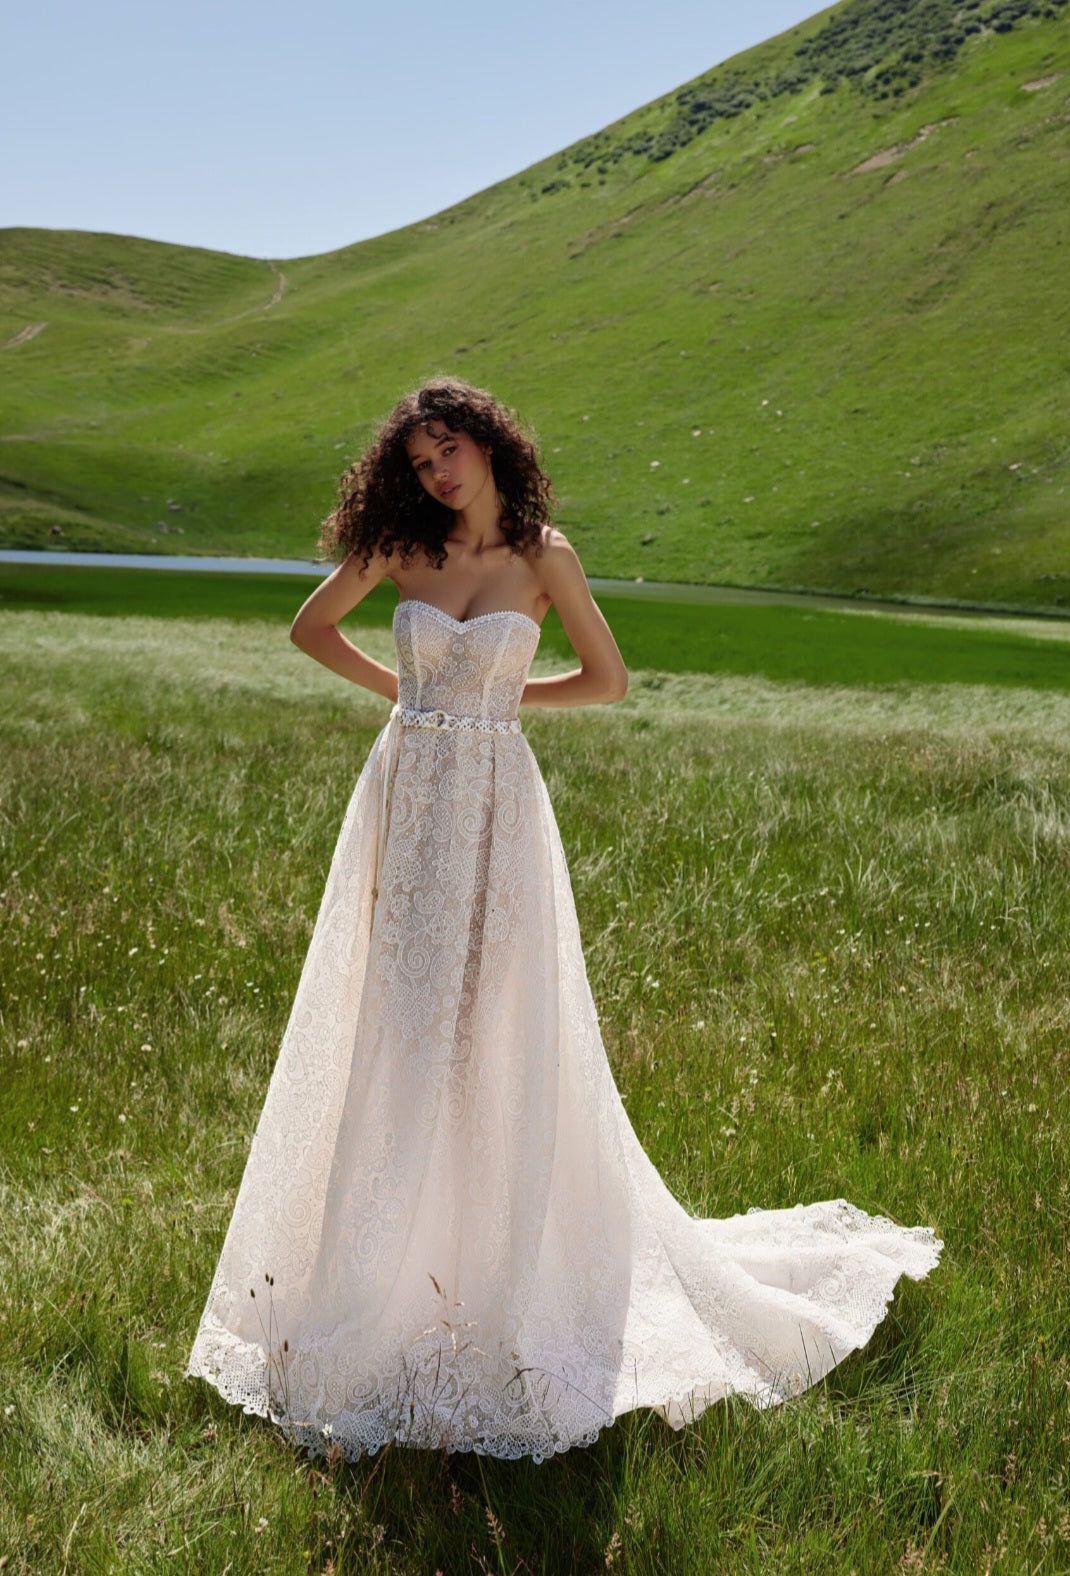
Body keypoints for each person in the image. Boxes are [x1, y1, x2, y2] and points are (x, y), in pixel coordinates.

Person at [186, 377, 940, 1463]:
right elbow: (310, 628)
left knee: (491, 1035)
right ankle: (377, 1277)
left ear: (489, 446)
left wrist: (495, 706)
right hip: (403, 805)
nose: (436, 473)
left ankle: (497, 1273)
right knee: (396, 1031)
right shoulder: (398, 545)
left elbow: (607, 678)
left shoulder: (545, 556)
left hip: (497, 811)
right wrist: (410, 703)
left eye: (448, 450)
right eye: (419, 461)